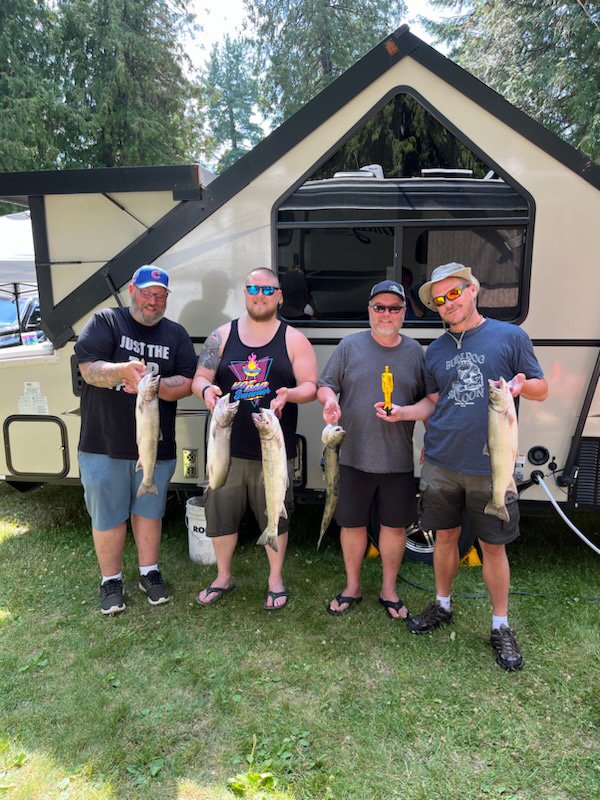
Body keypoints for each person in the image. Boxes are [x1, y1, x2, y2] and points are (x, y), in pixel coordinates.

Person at [382, 262, 548, 669]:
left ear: (473, 290)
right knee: (444, 538)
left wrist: (522, 385)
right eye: (439, 300)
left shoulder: (510, 336)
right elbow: (434, 402)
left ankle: (500, 625)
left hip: (492, 467)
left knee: (493, 546)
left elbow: (541, 388)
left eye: (453, 294)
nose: (447, 304)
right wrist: (402, 412)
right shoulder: (435, 350)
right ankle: (442, 605)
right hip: (441, 460)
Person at [192, 268, 317, 610]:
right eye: (252, 289)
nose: (259, 295)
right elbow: (198, 377)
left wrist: (291, 394)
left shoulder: (293, 339)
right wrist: (206, 389)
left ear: (279, 296)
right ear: (244, 293)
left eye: (267, 289)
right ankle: (223, 575)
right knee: (220, 515)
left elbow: (311, 386)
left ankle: (275, 579)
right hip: (226, 451)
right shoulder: (221, 336)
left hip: (273, 452)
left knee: (275, 515)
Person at [75, 265, 197, 615]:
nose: (153, 301)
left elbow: (187, 383)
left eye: (160, 296)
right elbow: (88, 369)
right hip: (103, 443)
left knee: (149, 511)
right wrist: (121, 371)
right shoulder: (106, 322)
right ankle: (110, 580)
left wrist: (155, 384)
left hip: (156, 445)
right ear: (133, 290)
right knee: (108, 515)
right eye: (147, 293)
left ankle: (149, 572)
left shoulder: (175, 334)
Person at [318, 279, 430, 618]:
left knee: (394, 527)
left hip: (397, 458)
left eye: (394, 308)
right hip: (350, 455)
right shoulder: (349, 346)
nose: (386, 314)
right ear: (369, 310)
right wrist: (329, 402)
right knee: (351, 524)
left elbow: (430, 401)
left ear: (403, 313)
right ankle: (352, 587)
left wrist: (427, 435)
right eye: (379, 307)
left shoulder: (415, 352)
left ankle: (388, 590)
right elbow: (326, 385)